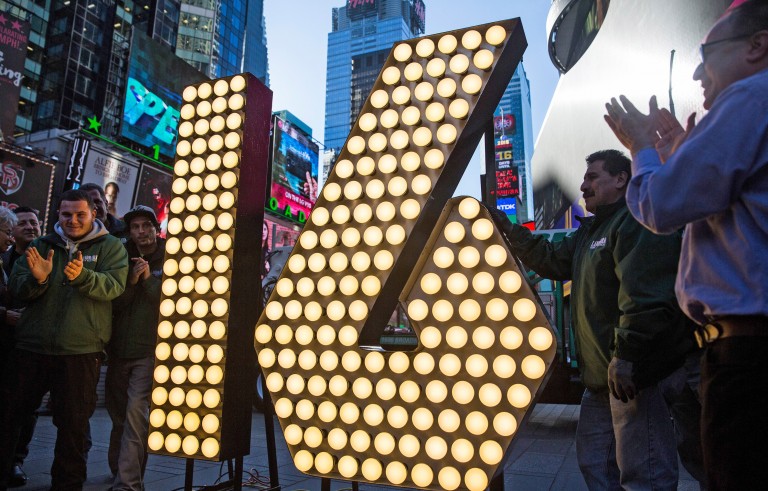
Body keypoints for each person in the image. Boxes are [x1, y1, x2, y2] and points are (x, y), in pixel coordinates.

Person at [603, 1, 768, 487]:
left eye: (708, 52)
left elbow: (661, 206)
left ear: (757, 45)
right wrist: (680, 156)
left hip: (747, 358)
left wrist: (643, 152)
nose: (698, 70)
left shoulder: (750, 98)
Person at [489, 150, 702, 489]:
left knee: (644, 473)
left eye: (592, 177)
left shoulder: (635, 223)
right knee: (596, 466)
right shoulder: (590, 233)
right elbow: (551, 259)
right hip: (602, 380)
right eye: (584, 177)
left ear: (621, 180)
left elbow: (645, 298)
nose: (583, 185)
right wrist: (507, 229)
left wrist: (627, 356)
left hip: (634, 378)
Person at [0, 189, 128, 490]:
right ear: (58, 214)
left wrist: (83, 276)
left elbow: (114, 287)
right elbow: (18, 289)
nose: (72, 220)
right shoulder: (42, 245)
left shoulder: (110, 247)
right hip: (31, 348)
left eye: (80, 214)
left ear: (93, 214)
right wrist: (39, 279)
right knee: (7, 419)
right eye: (66, 214)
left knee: (72, 430)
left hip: (81, 352)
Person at [106, 205, 164, 491]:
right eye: (135, 227)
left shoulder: (174, 253)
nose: (141, 232)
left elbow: (170, 304)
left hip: (148, 349)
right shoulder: (120, 255)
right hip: (118, 349)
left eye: (146, 225)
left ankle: (127, 483)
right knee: (119, 416)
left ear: (156, 227)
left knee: (135, 416)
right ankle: (118, 470)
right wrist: (130, 282)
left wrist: (149, 281)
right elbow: (113, 303)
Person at [0, 206, 41, 487]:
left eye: (34, 223)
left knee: (22, 409)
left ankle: (14, 461)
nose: (30, 227)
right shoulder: (5, 259)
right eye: (21, 223)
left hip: (27, 348)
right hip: (6, 344)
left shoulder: (50, 254)